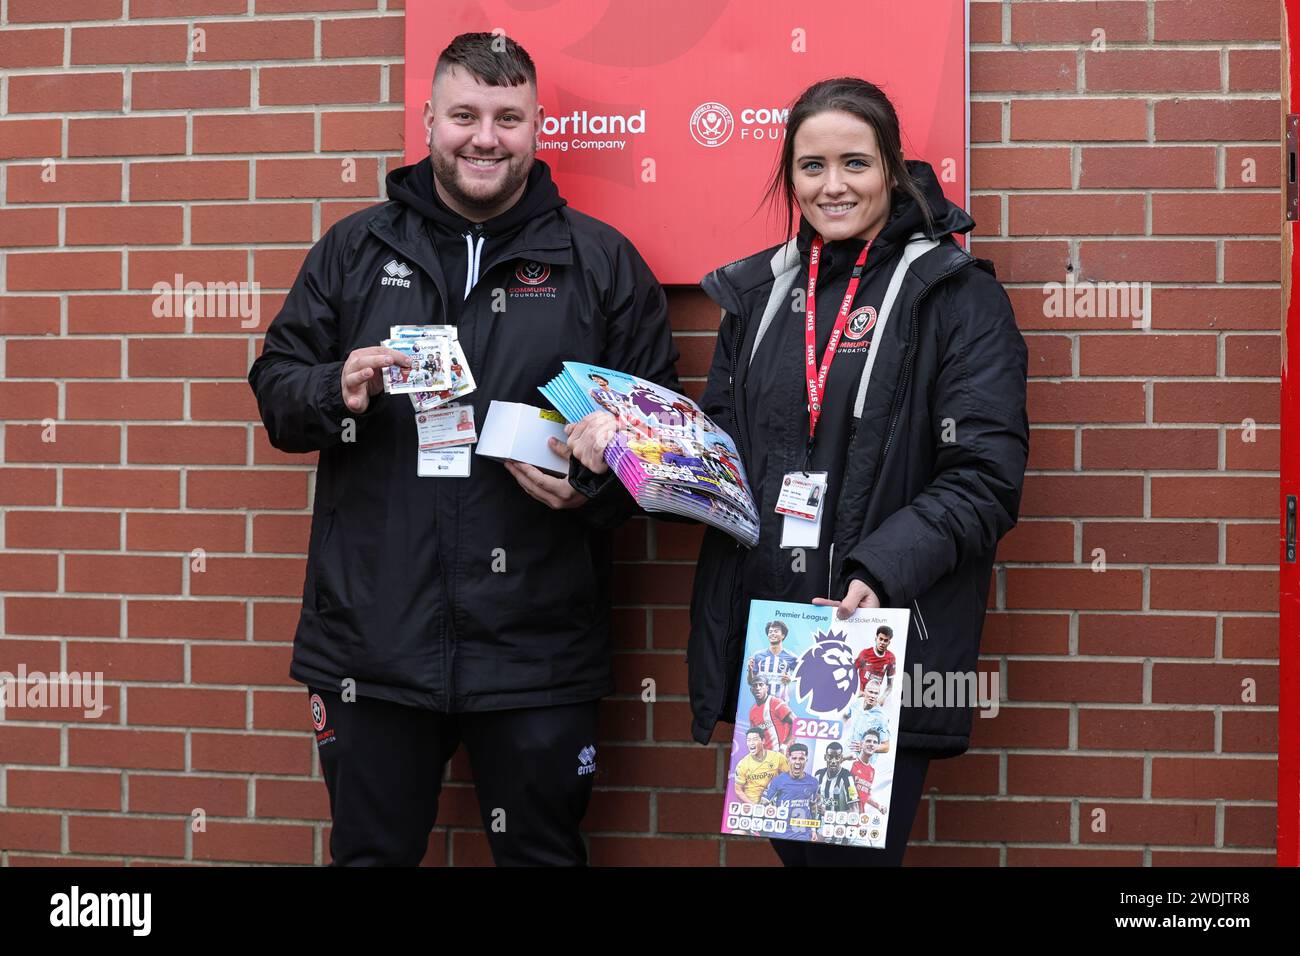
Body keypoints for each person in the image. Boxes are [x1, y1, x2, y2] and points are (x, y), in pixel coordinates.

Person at [248, 32, 679, 866]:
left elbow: (663, 451)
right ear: (429, 120)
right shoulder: (355, 249)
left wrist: (597, 487)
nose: (486, 136)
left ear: (536, 127)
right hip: (373, 643)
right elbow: (276, 387)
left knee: (543, 858)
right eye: (466, 115)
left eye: (508, 117)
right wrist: (331, 388)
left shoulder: (601, 264)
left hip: (538, 649)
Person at [686, 77, 1029, 866]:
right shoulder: (763, 295)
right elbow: (722, 454)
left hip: (872, 638)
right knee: (798, 856)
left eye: (855, 163)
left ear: (893, 170)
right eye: (811, 167)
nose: (831, 185)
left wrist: (879, 568)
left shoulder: (955, 294)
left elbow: (985, 474)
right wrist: (626, 456)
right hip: (776, 642)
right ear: (790, 177)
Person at [733, 726, 790, 805]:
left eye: (755, 739)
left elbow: (789, 779)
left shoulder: (778, 758)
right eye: (748, 740)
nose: (751, 743)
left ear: (763, 741)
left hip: (772, 805)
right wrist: (753, 806)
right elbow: (738, 790)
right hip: (751, 806)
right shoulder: (742, 764)